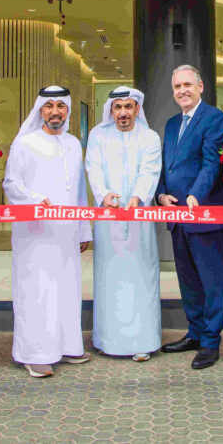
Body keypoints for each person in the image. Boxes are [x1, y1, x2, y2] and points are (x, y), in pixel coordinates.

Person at [3, 85, 92, 378]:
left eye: (61, 106)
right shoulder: (25, 143)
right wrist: (33, 201)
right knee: (37, 291)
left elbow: (79, 191)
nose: (56, 111)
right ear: (41, 110)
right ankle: (35, 353)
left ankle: (65, 346)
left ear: (67, 111)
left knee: (66, 289)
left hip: (66, 235)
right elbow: (11, 184)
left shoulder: (73, 144)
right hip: (35, 234)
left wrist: (83, 230)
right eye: (49, 106)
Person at [155, 64, 223, 370]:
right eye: (177, 87)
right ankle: (195, 333)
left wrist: (194, 197)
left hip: (204, 212)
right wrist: (160, 195)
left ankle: (211, 342)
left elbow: (212, 163)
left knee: (211, 280)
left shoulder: (214, 118)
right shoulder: (172, 123)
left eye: (187, 84)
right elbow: (166, 165)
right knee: (188, 280)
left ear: (200, 86)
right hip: (176, 215)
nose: (182, 91)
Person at [85, 86, 162, 362]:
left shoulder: (150, 137)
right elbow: (93, 168)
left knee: (141, 276)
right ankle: (108, 340)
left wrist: (138, 197)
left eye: (128, 107)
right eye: (118, 107)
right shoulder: (98, 135)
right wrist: (103, 194)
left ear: (137, 109)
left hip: (139, 219)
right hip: (108, 219)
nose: (123, 113)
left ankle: (143, 340)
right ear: (111, 111)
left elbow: (150, 171)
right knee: (110, 278)